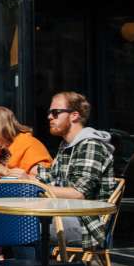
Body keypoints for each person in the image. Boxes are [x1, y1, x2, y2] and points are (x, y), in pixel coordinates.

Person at [24, 91, 115, 248]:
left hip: (86, 224)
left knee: (21, 227)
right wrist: (24, 175)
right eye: (49, 113)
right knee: (11, 222)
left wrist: (36, 185)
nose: (49, 117)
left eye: (55, 112)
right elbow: (53, 178)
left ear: (74, 115)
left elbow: (78, 194)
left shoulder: (90, 145)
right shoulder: (66, 145)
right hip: (65, 214)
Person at [0, 106, 52, 178]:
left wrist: (7, 171)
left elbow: (43, 180)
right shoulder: (1, 150)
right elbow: (2, 181)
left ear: (1, 128)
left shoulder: (29, 145)